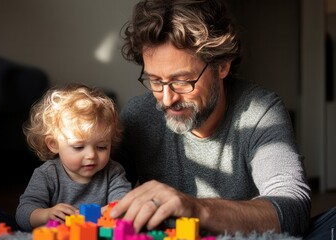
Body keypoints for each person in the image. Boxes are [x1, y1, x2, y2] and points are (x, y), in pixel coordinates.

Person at [109, 0, 315, 237]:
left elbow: (293, 207)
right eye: (155, 81)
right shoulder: (138, 116)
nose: (166, 100)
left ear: (222, 66)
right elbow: (94, 186)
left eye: (182, 81)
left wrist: (196, 208)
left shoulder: (260, 113)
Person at [16, 83, 131, 231]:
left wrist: (91, 216)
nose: (91, 155)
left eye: (101, 147)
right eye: (78, 147)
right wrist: (46, 215)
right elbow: (23, 213)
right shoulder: (47, 174)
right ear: (53, 144)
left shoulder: (113, 172)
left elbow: (125, 205)